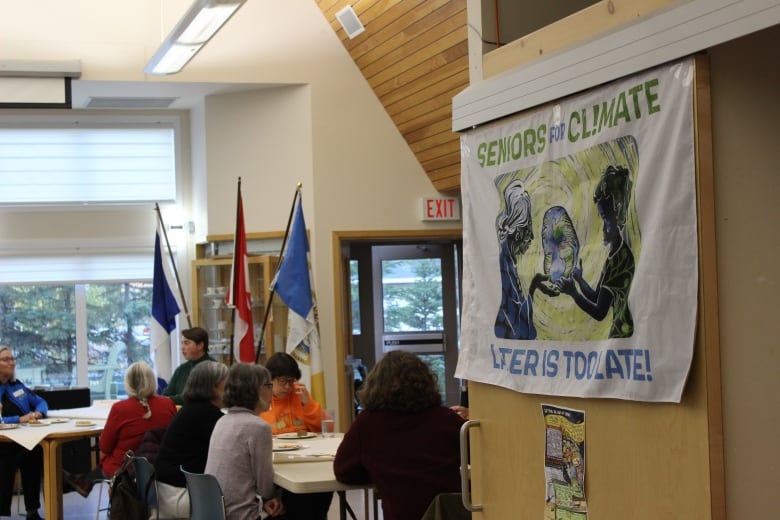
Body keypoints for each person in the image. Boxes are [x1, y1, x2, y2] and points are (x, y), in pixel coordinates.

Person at [334, 350, 466, 520]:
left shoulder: (368, 423)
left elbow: (344, 471)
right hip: (446, 514)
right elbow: (477, 457)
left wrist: (378, 471)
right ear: (426, 382)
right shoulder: (447, 419)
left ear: (375, 385)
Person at [66, 361, 177, 497]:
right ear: (152, 381)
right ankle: (87, 481)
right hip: (160, 469)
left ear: (128, 383)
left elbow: (105, 446)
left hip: (125, 472)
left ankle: (88, 481)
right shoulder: (168, 404)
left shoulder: (120, 408)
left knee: (106, 455)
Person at [557, 165, 635, 338]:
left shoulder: (622, 258)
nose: (603, 228)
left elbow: (600, 312)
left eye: (606, 219)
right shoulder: (613, 255)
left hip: (622, 334)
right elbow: (596, 296)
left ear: (620, 211)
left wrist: (574, 293)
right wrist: (579, 279)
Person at [205, 363, 284, 520]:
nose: (273, 392)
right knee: (303, 504)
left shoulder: (222, 421)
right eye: (269, 386)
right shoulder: (259, 427)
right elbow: (265, 486)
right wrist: (269, 498)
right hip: (242, 514)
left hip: (215, 511)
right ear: (256, 390)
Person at [259, 352, 332, 519]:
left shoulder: (300, 396)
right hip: (278, 462)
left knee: (322, 491)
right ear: (270, 379)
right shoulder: (262, 399)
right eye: (282, 381)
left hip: (306, 459)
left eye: (291, 381)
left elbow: (321, 428)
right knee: (300, 501)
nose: (287, 387)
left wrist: (308, 403)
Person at [155, 360, 228, 519]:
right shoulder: (208, 416)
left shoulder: (191, 410)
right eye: (226, 383)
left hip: (163, 492)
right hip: (180, 495)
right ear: (213, 387)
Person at [493, 178, 556, 340]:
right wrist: (534, 286)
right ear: (519, 233)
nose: (533, 237)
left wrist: (534, 285)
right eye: (529, 230)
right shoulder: (504, 266)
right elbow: (517, 324)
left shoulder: (509, 263)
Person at [0, 346, 47, 520]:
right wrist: (19, 419)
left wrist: (39, 413)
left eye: (12, 359)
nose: (11, 362)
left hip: (22, 441)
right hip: (2, 444)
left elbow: (41, 401)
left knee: (35, 452)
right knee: (6, 459)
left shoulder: (17, 386)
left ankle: (32, 511)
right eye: (6, 359)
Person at [163, 327, 216, 405]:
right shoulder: (181, 369)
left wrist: (168, 400)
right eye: (182, 343)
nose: (182, 348)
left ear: (200, 345)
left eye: (186, 343)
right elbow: (167, 394)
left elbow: (194, 397)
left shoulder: (213, 368)